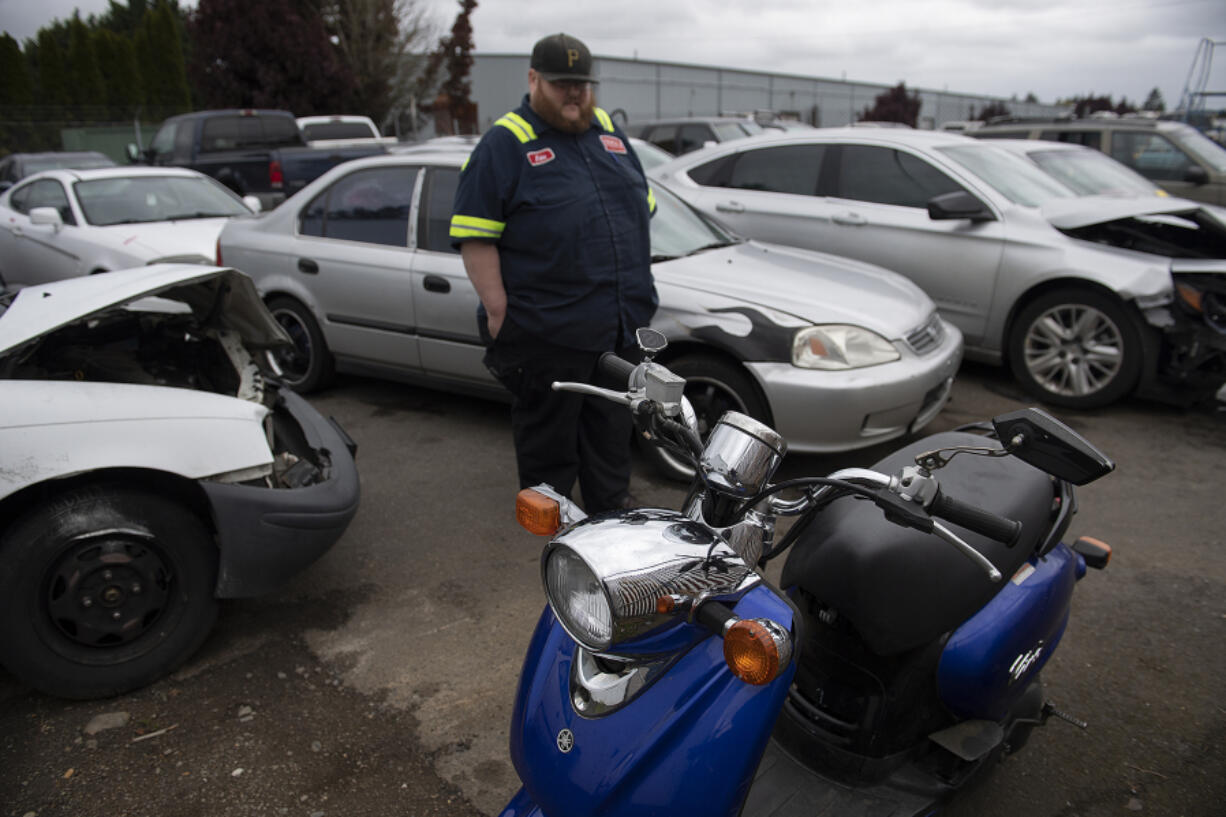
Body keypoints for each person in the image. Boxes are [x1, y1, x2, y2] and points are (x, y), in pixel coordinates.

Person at [450, 32, 658, 513]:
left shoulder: (608, 132)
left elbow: (641, 209)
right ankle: (555, 529)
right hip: (546, 333)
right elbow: (476, 235)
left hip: (618, 329)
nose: (575, 93)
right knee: (549, 443)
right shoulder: (505, 143)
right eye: (563, 83)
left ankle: (611, 514)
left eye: (582, 84)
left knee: (611, 429)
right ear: (533, 80)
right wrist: (499, 312)